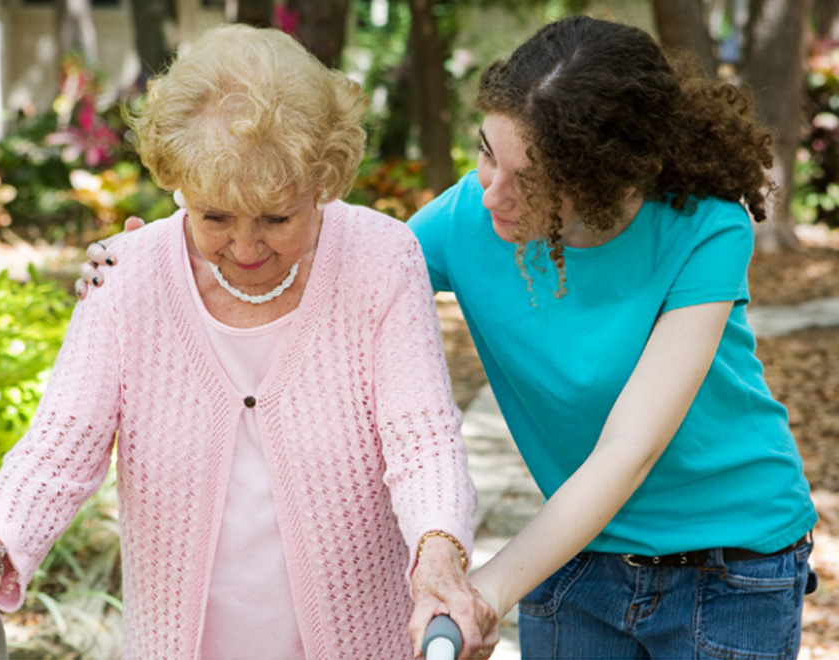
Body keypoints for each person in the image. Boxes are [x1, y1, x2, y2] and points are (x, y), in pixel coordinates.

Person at [78, 15, 822, 660]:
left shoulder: (705, 228)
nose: (491, 190)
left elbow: (628, 452)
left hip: (729, 563)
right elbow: (345, 271)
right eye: (486, 154)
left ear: (603, 181)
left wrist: (482, 590)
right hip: (573, 554)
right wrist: (165, 270)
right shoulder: (474, 214)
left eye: (528, 179)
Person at [0, 24, 500, 660]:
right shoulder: (125, 278)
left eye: (277, 218)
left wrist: (440, 556)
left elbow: (422, 438)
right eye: (214, 216)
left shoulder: (382, 258)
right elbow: (56, 453)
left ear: (324, 182)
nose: (246, 249)